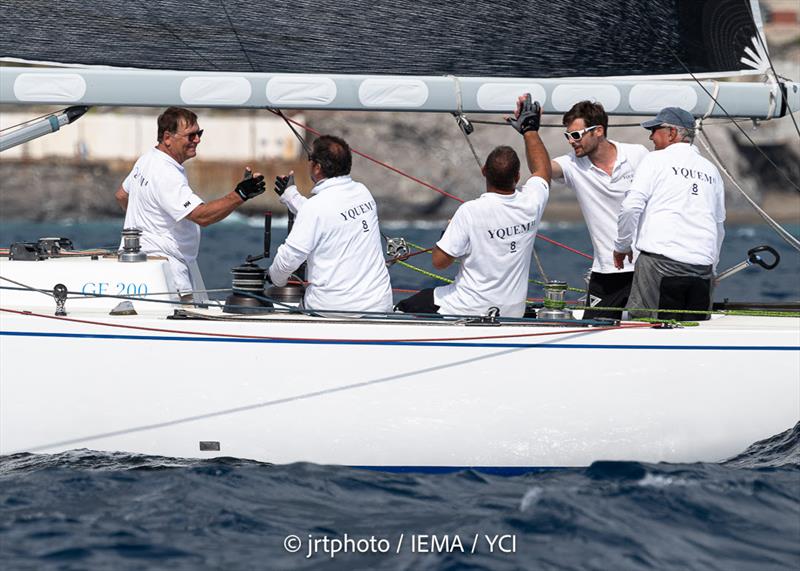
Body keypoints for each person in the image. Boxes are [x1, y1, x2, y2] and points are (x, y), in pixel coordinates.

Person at [395, 94, 551, 318]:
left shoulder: (470, 211)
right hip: (512, 311)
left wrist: (448, 232)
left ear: (484, 171)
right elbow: (543, 171)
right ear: (517, 176)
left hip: (465, 307)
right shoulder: (531, 201)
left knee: (403, 308)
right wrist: (530, 130)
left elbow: (439, 263)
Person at [115, 107, 265, 300]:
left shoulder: (147, 159)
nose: (197, 140)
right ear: (168, 138)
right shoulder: (166, 173)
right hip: (167, 270)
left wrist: (146, 227)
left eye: (199, 133)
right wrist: (241, 194)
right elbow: (202, 216)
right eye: (191, 135)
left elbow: (121, 195)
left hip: (143, 265)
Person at [613, 107, 725, 321]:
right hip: (702, 270)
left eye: (655, 129)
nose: (651, 136)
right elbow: (719, 225)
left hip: (659, 266)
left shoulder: (655, 160)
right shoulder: (711, 170)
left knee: (645, 329)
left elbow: (630, 207)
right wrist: (713, 268)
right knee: (692, 334)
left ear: (672, 133)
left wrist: (622, 246)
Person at [268, 135, 393, 313]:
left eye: (310, 159)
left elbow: (289, 259)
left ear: (317, 168)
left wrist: (274, 278)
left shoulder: (315, 208)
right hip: (379, 306)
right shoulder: (363, 192)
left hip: (334, 310)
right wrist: (291, 196)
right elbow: (330, 217)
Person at [551, 100, 649, 319]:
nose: (571, 141)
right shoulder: (572, 164)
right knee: (591, 330)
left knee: (649, 330)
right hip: (607, 269)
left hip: (646, 266)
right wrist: (530, 132)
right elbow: (541, 169)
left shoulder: (638, 154)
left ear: (598, 131)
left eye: (575, 135)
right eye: (567, 136)